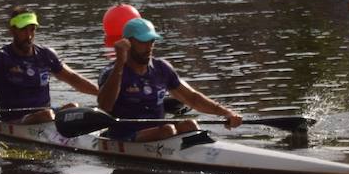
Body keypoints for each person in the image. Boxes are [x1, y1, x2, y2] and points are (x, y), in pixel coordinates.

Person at [98, 18, 243, 141]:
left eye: (152, 41)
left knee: (190, 125)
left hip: (159, 132)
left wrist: (226, 113)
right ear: (127, 43)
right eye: (143, 42)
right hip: (124, 135)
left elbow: (192, 98)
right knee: (167, 130)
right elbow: (105, 106)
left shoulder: (161, 68)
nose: (149, 47)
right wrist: (119, 64)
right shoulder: (111, 72)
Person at [0, 8, 99, 123]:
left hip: (46, 116)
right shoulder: (1, 58)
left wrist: (102, 94)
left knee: (73, 108)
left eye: (32, 30)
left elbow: (74, 79)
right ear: (12, 31)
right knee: (46, 115)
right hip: (15, 120)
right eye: (23, 30)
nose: (29, 36)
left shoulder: (46, 55)